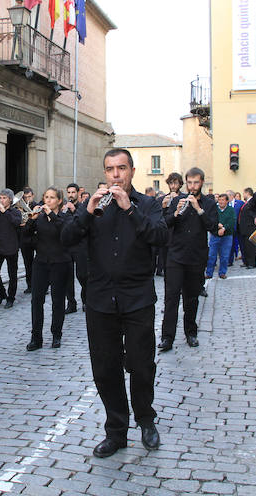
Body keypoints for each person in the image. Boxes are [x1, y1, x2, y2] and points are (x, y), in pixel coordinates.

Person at [61, 148, 168, 458]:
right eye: (110, 169)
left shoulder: (148, 205)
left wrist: (130, 210)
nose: (116, 174)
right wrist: (86, 211)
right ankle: (116, 431)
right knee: (106, 368)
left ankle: (146, 419)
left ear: (132, 171)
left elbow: (160, 238)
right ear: (105, 173)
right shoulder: (93, 206)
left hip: (137, 299)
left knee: (141, 364)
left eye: (122, 168)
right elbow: (67, 238)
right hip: (100, 300)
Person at [158, 167, 217, 352]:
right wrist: (175, 212)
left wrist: (198, 209)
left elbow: (213, 226)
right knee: (171, 298)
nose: (192, 186)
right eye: (189, 183)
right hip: (175, 255)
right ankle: (167, 337)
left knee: (192, 298)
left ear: (202, 182)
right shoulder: (177, 200)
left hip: (196, 256)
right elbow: (165, 223)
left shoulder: (208, 203)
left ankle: (191, 332)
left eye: (196, 182)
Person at [23, 187, 72, 350]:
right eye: (46, 197)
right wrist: (32, 219)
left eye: (52, 198)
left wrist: (51, 215)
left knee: (58, 301)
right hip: (41, 263)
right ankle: (36, 337)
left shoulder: (65, 218)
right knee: (36, 301)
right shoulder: (40, 218)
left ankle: (56, 335)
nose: (48, 200)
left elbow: (65, 232)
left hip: (60, 263)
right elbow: (25, 237)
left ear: (59, 201)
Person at [62, 183, 88, 313]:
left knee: (82, 275)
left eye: (73, 192)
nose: (71, 195)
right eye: (69, 192)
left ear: (78, 193)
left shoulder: (83, 207)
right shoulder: (65, 208)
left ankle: (85, 300)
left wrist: (73, 210)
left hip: (80, 246)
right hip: (68, 247)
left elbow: (84, 223)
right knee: (67, 277)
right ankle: (71, 303)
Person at [155, 173, 184, 276]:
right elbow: (158, 219)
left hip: (181, 237)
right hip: (167, 238)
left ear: (180, 184)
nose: (173, 186)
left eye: (175, 183)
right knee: (169, 269)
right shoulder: (161, 199)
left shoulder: (184, 198)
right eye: (170, 183)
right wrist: (163, 207)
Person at [205, 193, 235, 279]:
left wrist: (224, 228)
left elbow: (232, 222)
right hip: (215, 235)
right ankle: (209, 273)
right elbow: (210, 220)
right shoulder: (214, 209)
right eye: (220, 200)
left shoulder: (231, 210)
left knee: (225, 256)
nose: (221, 202)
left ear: (227, 201)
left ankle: (222, 272)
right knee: (211, 255)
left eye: (223, 200)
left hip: (227, 236)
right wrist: (217, 225)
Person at [18, 187, 36, 295]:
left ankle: (43, 284)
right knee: (27, 264)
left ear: (33, 196)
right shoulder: (20, 208)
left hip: (36, 238)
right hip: (25, 239)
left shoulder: (38, 206)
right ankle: (30, 285)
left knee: (40, 263)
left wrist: (29, 221)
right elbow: (19, 223)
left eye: (29, 197)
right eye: (25, 197)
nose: (27, 199)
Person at [238, 187, 256, 269]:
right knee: (246, 246)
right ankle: (246, 262)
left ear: (247, 193)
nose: (243, 195)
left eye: (244, 193)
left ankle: (252, 263)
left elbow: (253, 213)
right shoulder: (246, 203)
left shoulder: (252, 202)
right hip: (244, 228)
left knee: (251, 246)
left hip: (249, 228)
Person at [228, 189, 244, 265]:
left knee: (241, 244)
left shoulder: (240, 203)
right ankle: (230, 261)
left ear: (231, 196)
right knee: (230, 245)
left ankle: (244, 260)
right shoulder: (226, 204)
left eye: (227, 195)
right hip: (230, 228)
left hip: (239, 227)